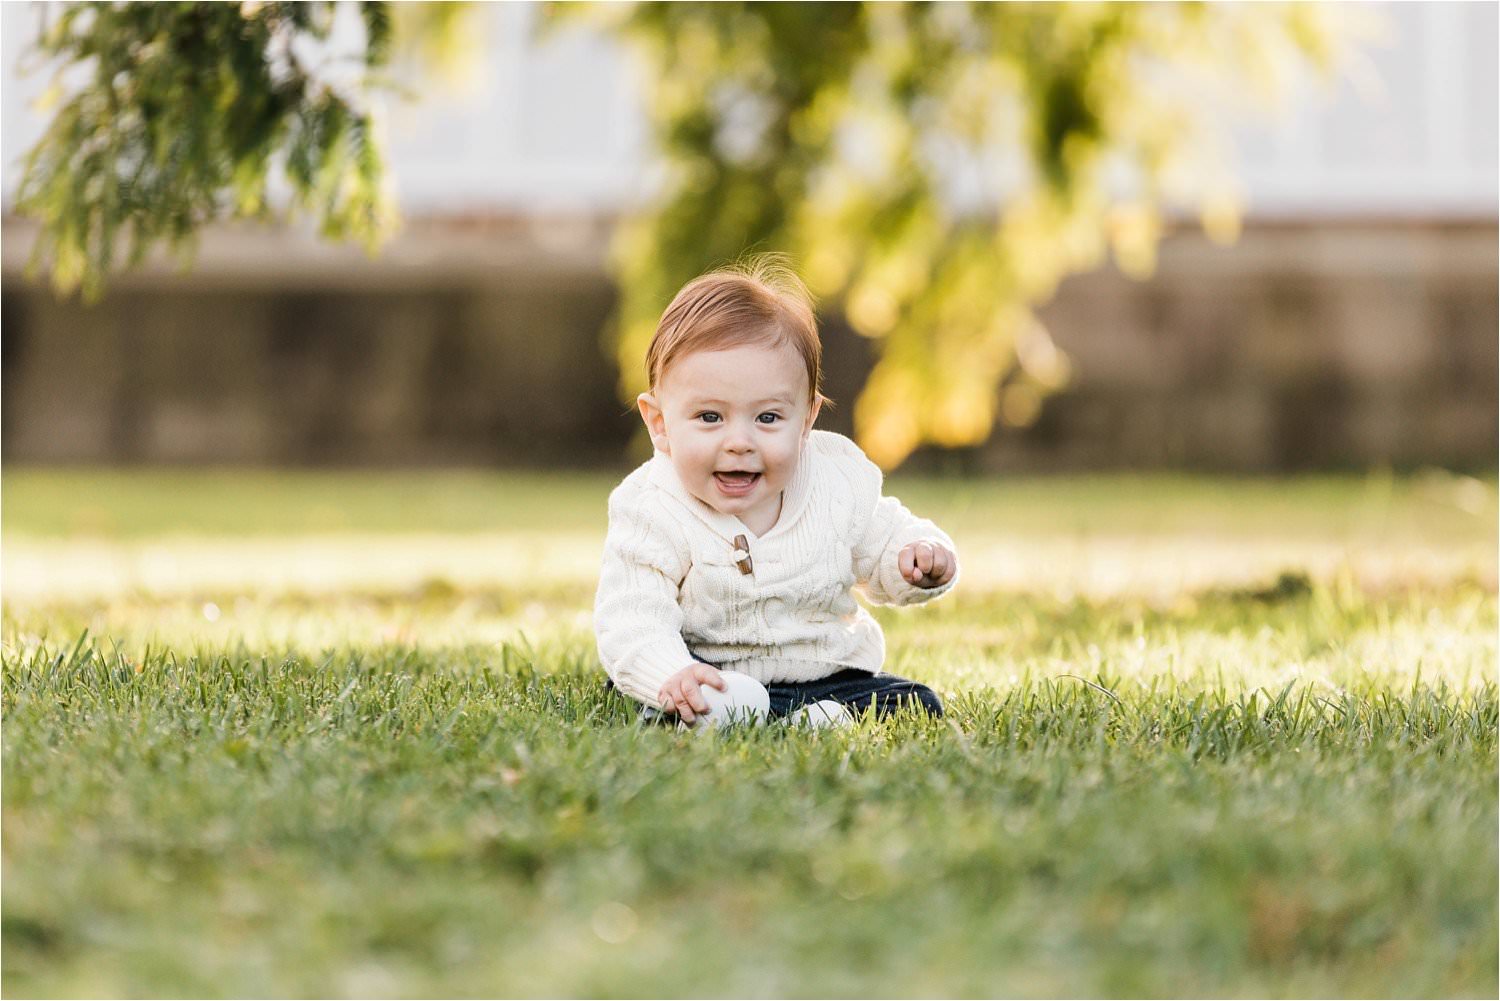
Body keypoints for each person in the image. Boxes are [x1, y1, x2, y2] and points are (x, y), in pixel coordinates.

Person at [593, 255, 958, 728]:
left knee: (915, 703)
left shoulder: (834, 482)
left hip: (825, 675)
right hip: (706, 675)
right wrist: (671, 673)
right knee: (664, 705)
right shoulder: (652, 506)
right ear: (659, 424)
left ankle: (801, 717)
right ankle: (752, 715)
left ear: (806, 418)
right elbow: (632, 618)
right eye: (710, 417)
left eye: (767, 418)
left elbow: (884, 538)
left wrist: (916, 559)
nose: (740, 442)